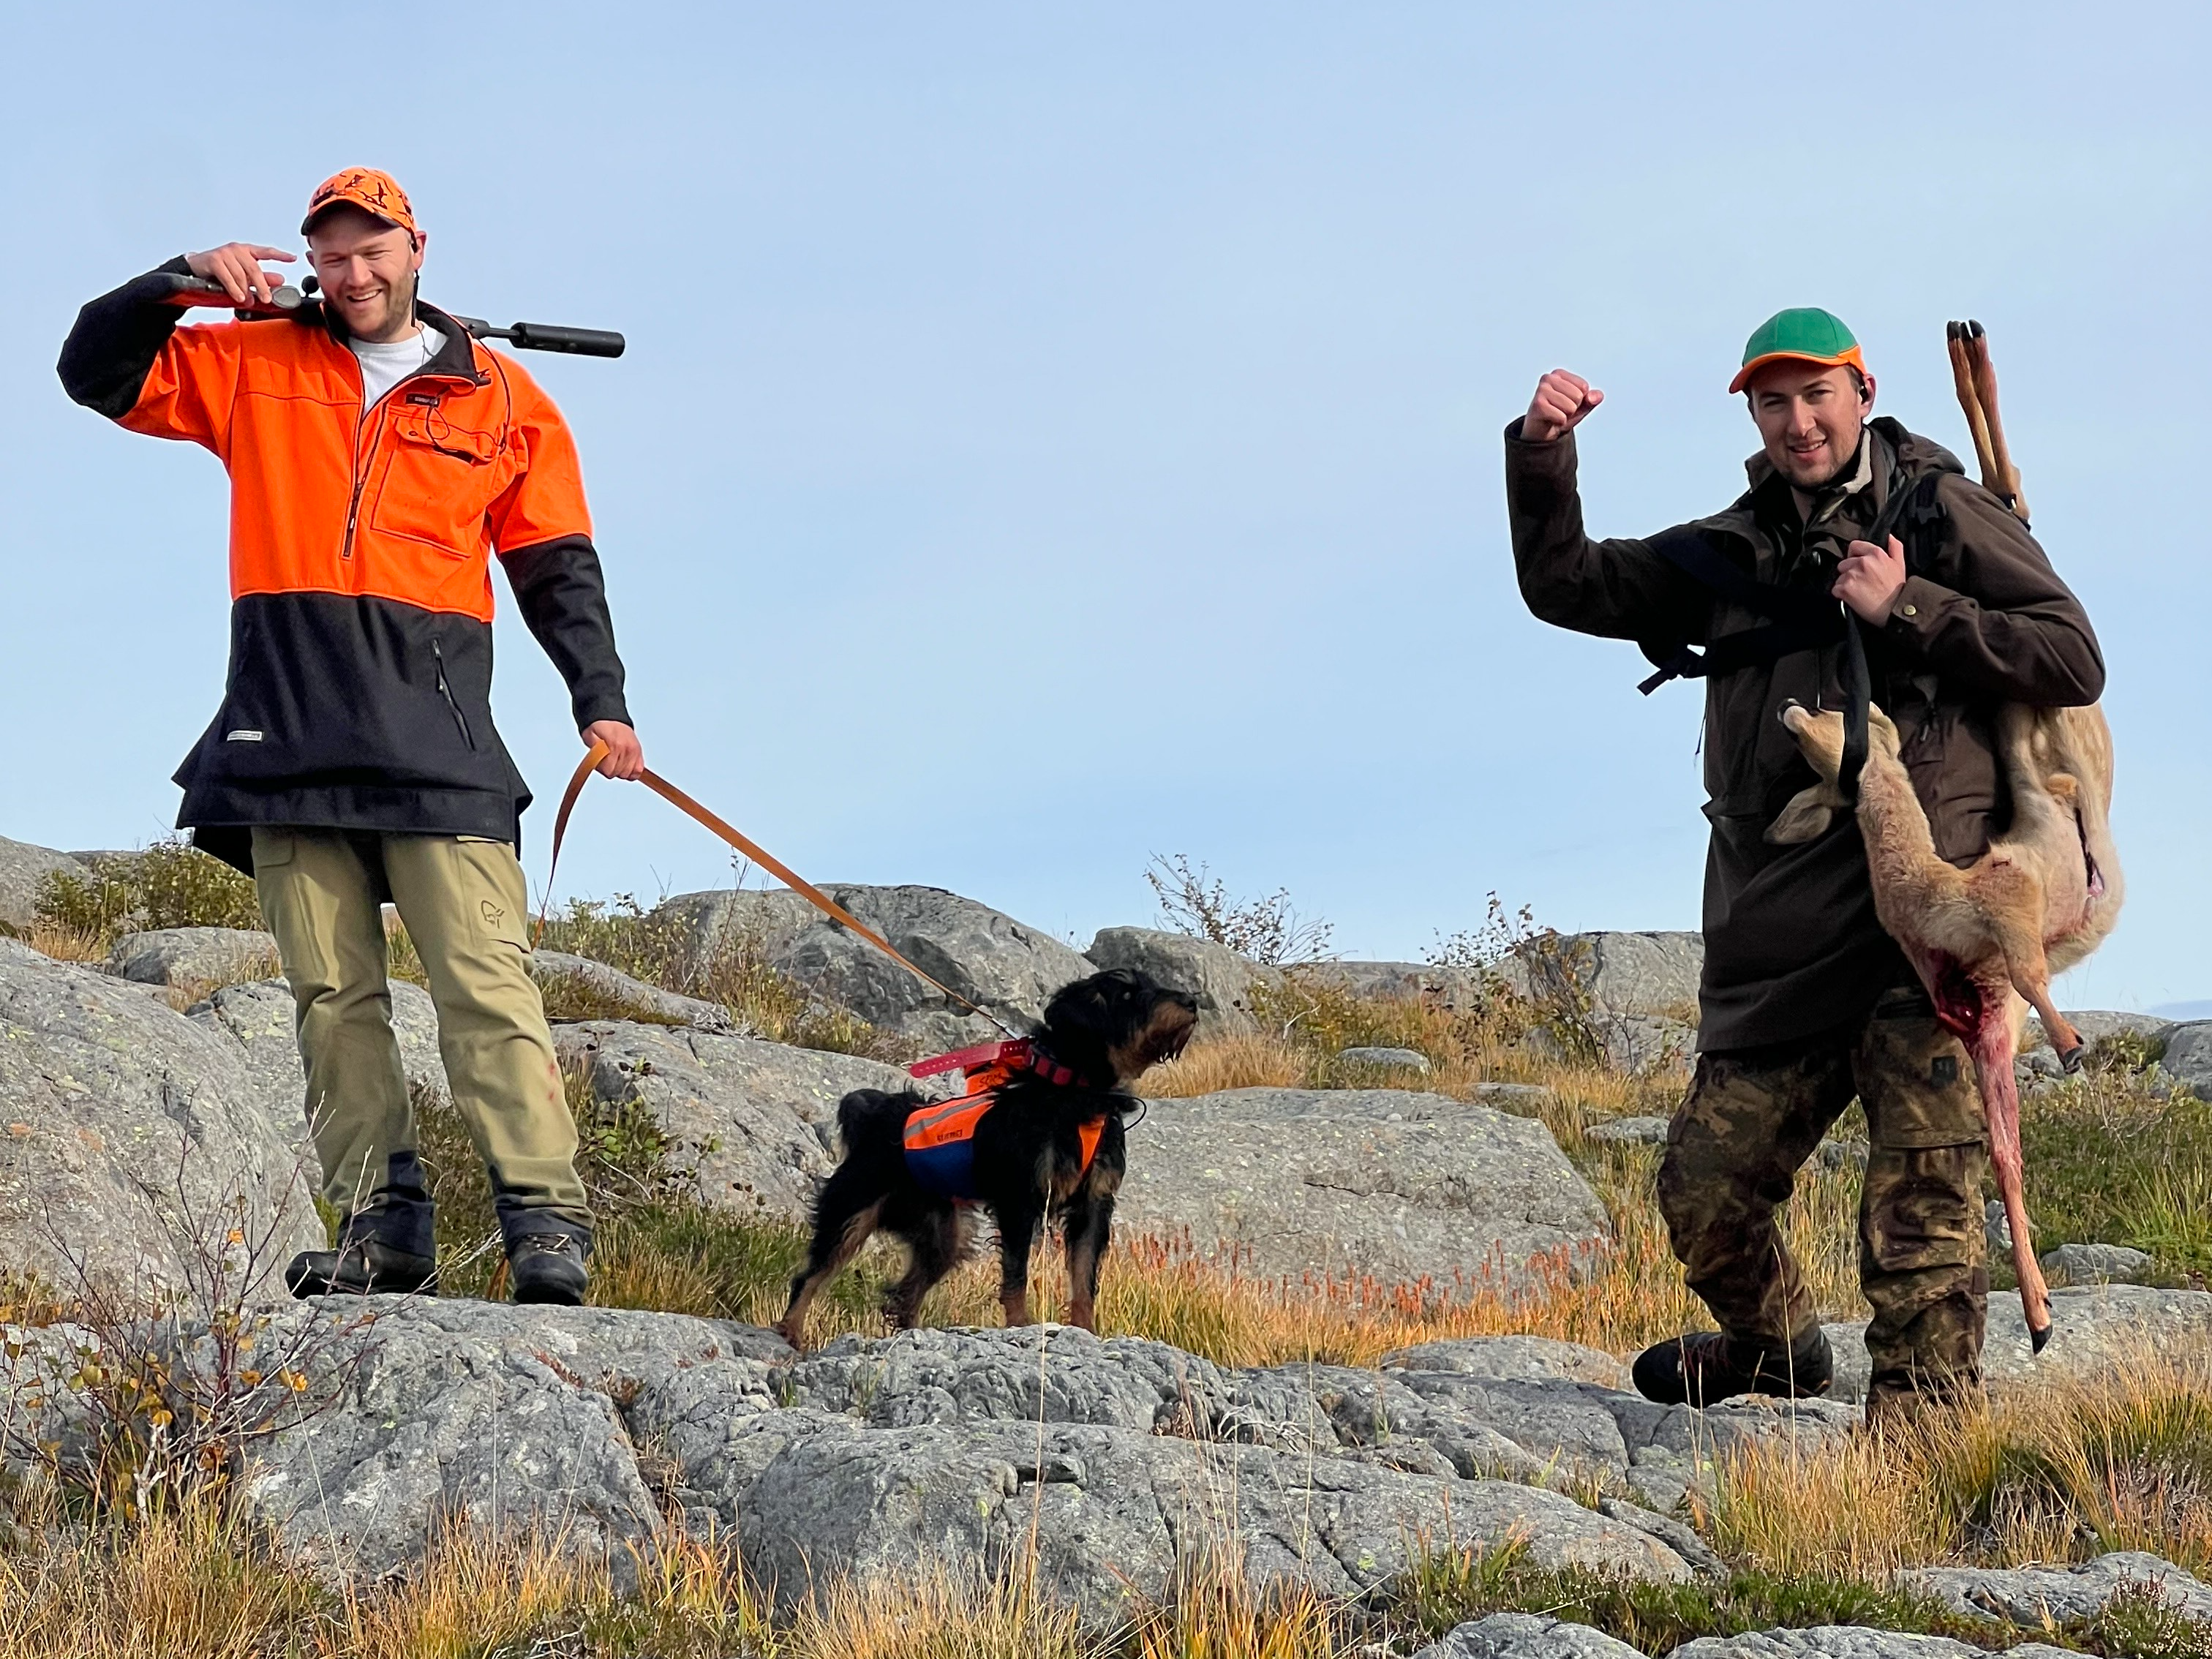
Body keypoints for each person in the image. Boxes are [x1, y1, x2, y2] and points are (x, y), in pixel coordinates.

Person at [58, 168, 644, 1306]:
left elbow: (557, 568)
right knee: (333, 1000)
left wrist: (600, 700)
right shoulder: (246, 363)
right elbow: (94, 369)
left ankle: (546, 1228)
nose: (351, 272)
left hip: (440, 747)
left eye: (372, 250)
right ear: (308, 261)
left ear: (417, 247)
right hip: (287, 735)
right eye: (330, 253)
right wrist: (178, 282)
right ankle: (381, 1229)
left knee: (487, 990)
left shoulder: (502, 399)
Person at [1504, 308, 2103, 1419]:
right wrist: (1544, 457)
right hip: (1777, 937)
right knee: (1704, 1192)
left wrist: (1910, 605)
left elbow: (2070, 654)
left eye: (1816, 394)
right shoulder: (1728, 552)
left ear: (1862, 393)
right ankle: (1777, 1351)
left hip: (1928, 931)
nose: (1797, 420)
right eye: (1772, 401)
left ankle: (1921, 1459)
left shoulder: (1942, 510)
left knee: (1921, 1212)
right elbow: (1569, 585)